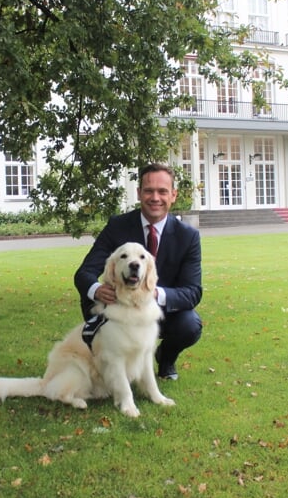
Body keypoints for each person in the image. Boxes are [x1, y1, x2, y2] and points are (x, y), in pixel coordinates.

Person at [74, 163, 203, 380]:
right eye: (148, 190)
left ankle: (166, 359)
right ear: (139, 193)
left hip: (159, 314)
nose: (155, 197)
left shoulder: (188, 236)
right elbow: (84, 273)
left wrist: (153, 294)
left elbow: (192, 292)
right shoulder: (117, 226)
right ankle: (110, 364)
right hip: (118, 310)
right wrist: (96, 290)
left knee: (190, 325)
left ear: (173, 195)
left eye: (162, 191)